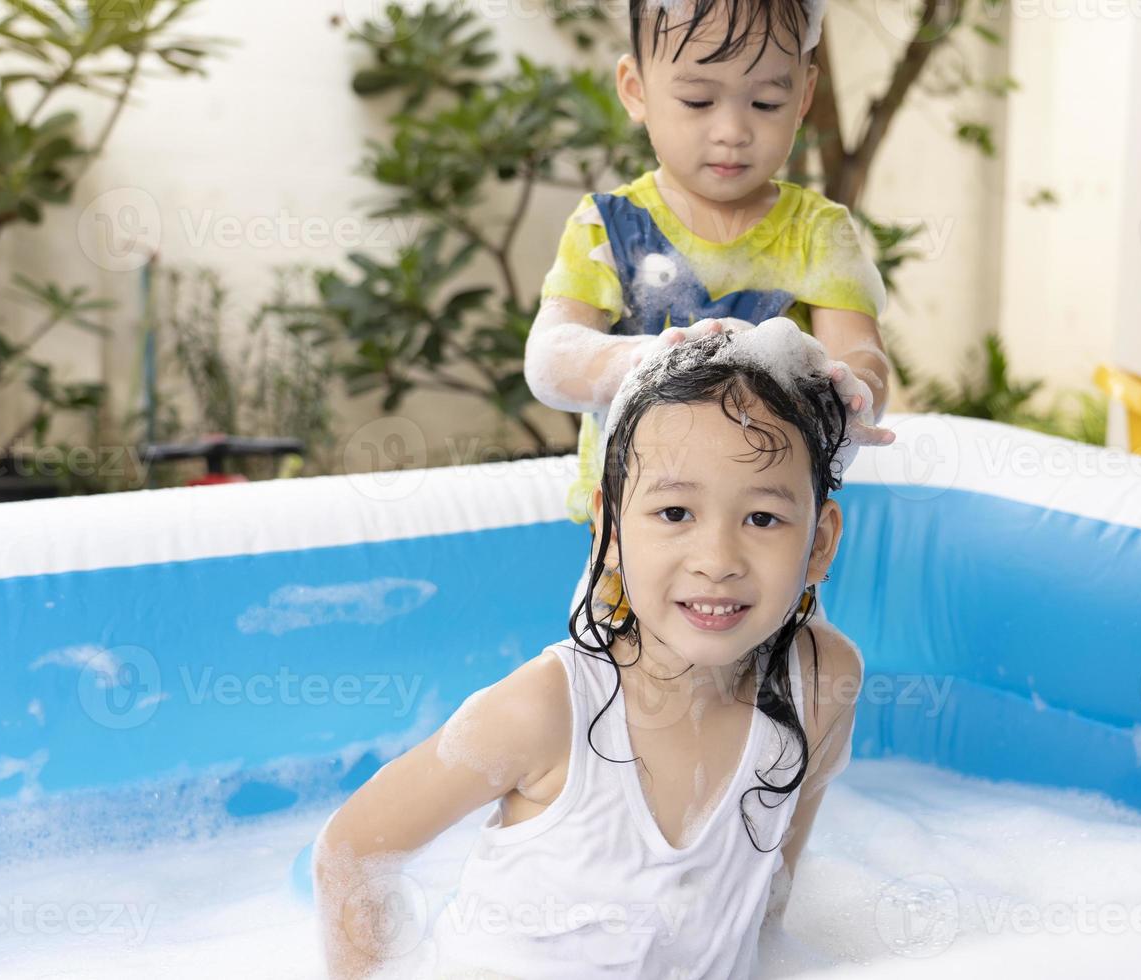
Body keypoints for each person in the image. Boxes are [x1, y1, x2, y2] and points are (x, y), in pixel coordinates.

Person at [313, 325, 866, 978]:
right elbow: (350, 852)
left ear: (820, 543)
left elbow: (768, 893)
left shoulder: (822, 681)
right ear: (608, 528)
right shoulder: (546, 710)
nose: (716, 562)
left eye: (762, 519)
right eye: (673, 514)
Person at [523, 0, 897, 540]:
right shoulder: (608, 227)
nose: (732, 130)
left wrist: (853, 388)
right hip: (634, 529)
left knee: (799, 628)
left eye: (766, 102)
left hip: (769, 524)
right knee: (619, 628)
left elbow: (863, 354)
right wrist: (649, 359)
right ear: (635, 90)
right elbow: (552, 359)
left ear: (803, 97)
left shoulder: (818, 231)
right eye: (698, 99)